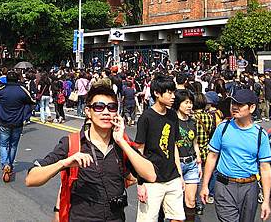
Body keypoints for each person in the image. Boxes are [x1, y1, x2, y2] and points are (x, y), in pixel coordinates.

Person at [25, 85, 157, 221]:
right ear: (88, 111)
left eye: (111, 107)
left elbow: (151, 175)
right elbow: (31, 179)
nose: (106, 112)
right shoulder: (72, 144)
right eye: (99, 107)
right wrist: (64, 163)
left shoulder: (121, 145)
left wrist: (122, 142)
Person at [200, 89, 271, 222]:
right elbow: (212, 156)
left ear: (252, 108)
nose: (234, 107)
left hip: (250, 188)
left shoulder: (260, 135)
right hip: (224, 186)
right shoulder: (223, 128)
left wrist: (266, 201)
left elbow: (265, 168)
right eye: (232, 103)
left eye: (239, 104)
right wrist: (205, 185)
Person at [135, 74, 185, 222]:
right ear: (157, 93)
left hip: (172, 177)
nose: (173, 96)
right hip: (152, 179)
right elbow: (140, 151)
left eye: (173, 92)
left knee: (177, 217)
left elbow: (173, 146)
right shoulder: (146, 117)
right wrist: (140, 183)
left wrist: (180, 174)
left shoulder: (172, 115)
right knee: (148, 219)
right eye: (169, 92)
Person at [0, 71, 34, 183]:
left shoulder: (2, 89)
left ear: (6, 79)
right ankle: (10, 165)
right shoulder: (22, 89)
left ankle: (5, 164)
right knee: (13, 145)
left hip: (4, 121)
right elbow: (32, 100)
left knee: (3, 144)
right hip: (18, 122)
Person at [174, 90, 202, 222]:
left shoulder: (192, 122)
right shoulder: (172, 121)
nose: (189, 105)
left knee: (191, 201)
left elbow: (195, 143)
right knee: (175, 203)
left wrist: (199, 163)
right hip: (176, 165)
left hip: (192, 165)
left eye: (191, 102)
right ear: (179, 104)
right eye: (186, 102)